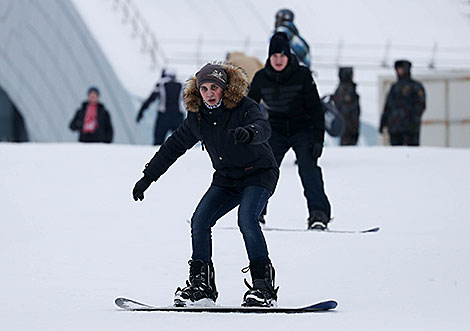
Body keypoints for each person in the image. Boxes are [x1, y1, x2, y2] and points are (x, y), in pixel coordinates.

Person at [132, 63, 280, 308]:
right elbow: (173, 147)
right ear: (198, 91)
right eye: (204, 88)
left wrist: (250, 133)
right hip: (226, 178)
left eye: (215, 87)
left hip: (259, 174)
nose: (209, 93)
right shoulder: (198, 117)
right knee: (200, 220)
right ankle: (202, 287)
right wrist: (148, 177)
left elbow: (263, 127)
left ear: (225, 88)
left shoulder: (244, 107)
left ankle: (263, 287)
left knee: (247, 219)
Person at [248, 32, 331, 230]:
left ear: (288, 56)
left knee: (308, 168)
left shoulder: (302, 75)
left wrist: (318, 139)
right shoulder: (261, 77)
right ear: (269, 57)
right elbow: (249, 107)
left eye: (282, 56)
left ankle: (318, 215)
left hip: (303, 128)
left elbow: (316, 109)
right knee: (264, 169)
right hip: (275, 129)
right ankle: (255, 212)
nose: (278, 60)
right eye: (274, 56)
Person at [380, 60, 426, 146]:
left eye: (401, 69)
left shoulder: (415, 87)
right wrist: (383, 122)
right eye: (398, 69)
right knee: (396, 154)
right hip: (395, 128)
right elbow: (388, 106)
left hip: (410, 129)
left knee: (412, 153)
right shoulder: (394, 87)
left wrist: (413, 121)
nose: (399, 71)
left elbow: (420, 106)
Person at [136, 68, 185, 145]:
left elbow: (151, 99)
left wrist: (141, 112)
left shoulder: (161, 83)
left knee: (158, 142)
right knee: (180, 142)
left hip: (164, 116)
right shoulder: (181, 85)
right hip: (178, 116)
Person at [333, 67, 361, 146]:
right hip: (348, 126)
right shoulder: (346, 89)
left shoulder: (344, 88)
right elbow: (347, 109)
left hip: (347, 126)